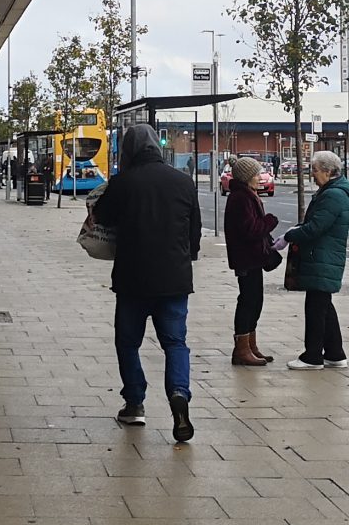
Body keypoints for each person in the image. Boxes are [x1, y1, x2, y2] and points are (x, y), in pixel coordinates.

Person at [90, 122, 201, 441]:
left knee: (128, 342)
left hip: (132, 279)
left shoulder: (123, 182)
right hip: (175, 279)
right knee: (175, 343)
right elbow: (194, 230)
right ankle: (179, 393)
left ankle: (135, 403)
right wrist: (187, 256)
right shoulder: (183, 181)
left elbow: (104, 217)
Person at [282, 151, 349, 369]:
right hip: (323, 256)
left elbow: (315, 228)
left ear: (328, 171)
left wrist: (289, 235)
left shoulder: (333, 195)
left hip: (322, 256)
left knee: (315, 308)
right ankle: (334, 353)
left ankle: (312, 356)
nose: (312, 174)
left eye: (314, 170)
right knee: (323, 305)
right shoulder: (332, 191)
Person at [223, 156, 277, 366]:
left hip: (252, 258)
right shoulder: (240, 198)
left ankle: (250, 345)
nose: (260, 177)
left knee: (255, 301)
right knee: (248, 301)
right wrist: (269, 221)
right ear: (246, 178)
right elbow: (251, 230)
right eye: (256, 174)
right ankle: (242, 349)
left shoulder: (246, 194)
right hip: (246, 258)